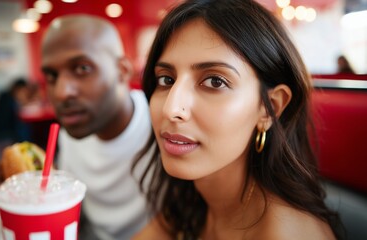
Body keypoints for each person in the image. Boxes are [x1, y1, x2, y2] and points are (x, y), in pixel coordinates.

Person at [132, 0, 344, 239]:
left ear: (269, 108)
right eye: (166, 80)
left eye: (215, 82)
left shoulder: (287, 234)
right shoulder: (191, 202)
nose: (172, 108)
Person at [40, 14, 152, 240]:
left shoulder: (161, 125)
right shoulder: (69, 133)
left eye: (82, 68)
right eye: (52, 76)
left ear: (122, 71)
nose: (62, 92)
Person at [0, 77, 32, 143]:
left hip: (3, 125)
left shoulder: (6, 96)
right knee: (24, 126)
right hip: (4, 128)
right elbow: (16, 113)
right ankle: (26, 143)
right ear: (18, 89)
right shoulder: (7, 98)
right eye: (23, 90)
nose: (25, 92)